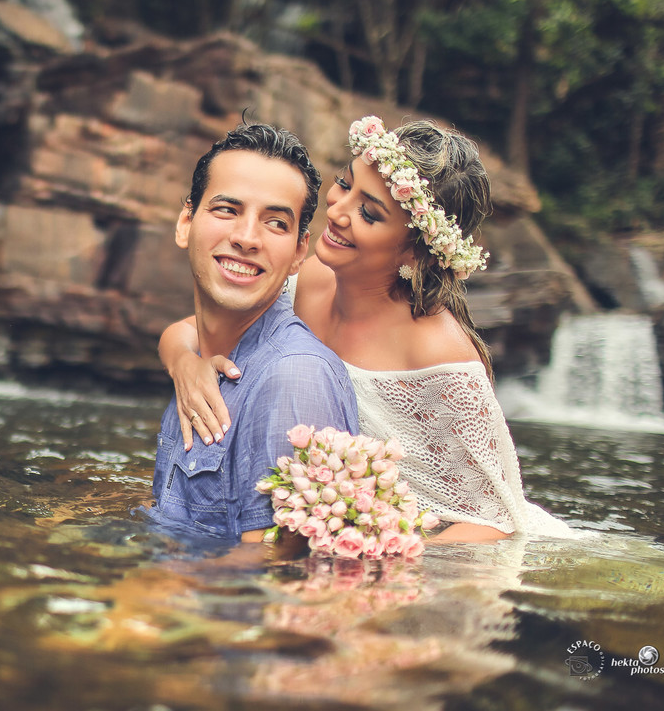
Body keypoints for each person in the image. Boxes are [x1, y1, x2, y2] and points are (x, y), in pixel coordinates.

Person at [160, 116, 573, 542]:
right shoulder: (310, 279)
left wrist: (376, 555)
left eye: (370, 213)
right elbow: (193, 328)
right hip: (326, 517)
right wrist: (184, 365)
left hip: (436, 554)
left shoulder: (437, 351)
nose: (337, 212)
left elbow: (495, 523)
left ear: (415, 251)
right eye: (345, 184)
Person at [145, 123, 359, 544]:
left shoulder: (292, 378)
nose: (245, 238)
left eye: (276, 223)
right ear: (186, 221)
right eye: (227, 210)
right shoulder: (200, 366)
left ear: (300, 251)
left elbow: (280, 571)